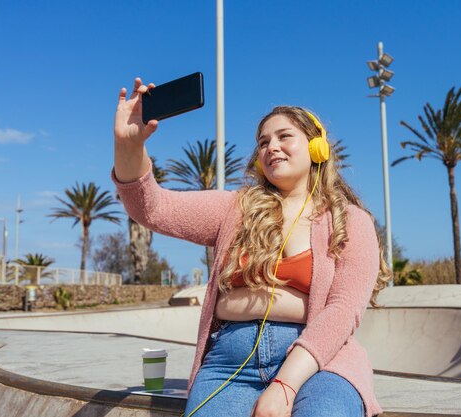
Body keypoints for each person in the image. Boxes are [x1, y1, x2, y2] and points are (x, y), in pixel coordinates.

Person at [112, 78, 391, 417]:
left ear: (318, 148)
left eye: (284, 136)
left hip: (322, 360)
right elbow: (153, 208)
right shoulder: (235, 208)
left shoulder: (351, 221)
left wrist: (285, 385)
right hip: (229, 362)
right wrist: (129, 147)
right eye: (263, 142)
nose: (271, 146)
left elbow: (342, 311)